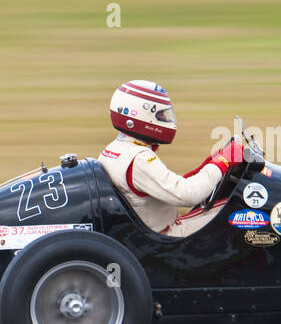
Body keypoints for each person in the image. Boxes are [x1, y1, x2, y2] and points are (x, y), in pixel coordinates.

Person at [98, 79, 243, 237]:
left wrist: (210, 165)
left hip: (146, 232)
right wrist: (223, 161)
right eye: (161, 115)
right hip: (164, 236)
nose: (167, 121)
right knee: (244, 213)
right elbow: (188, 194)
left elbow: (167, 186)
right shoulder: (139, 159)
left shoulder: (115, 149)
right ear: (139, 115)